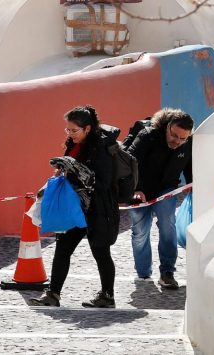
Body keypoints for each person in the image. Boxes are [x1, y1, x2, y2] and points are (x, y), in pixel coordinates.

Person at [30, 105, 120, 308]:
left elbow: (104, 182)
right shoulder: (73, 144)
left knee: (100, 252)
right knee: (62, 249)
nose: (70, 134)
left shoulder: (103, 148)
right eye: (67, 130)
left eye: (74, 130)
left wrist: (76, 169)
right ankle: (53, 294)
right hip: (74, 206)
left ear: (87, 129)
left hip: (98, 208)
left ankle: (107, 296)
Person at [126, 108, 193, 289]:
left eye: (183, 138)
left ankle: (167, 272)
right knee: (140, 232)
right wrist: (136, 188)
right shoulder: (148, 135)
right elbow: (129, 162)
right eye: (174, 136)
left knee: (168, 227)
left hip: (166, 190)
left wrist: (193, 186)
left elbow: (190, 166)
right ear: (168, 127)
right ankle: (143, 273)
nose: (177, 141)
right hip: (139, 191)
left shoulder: (188, 143)